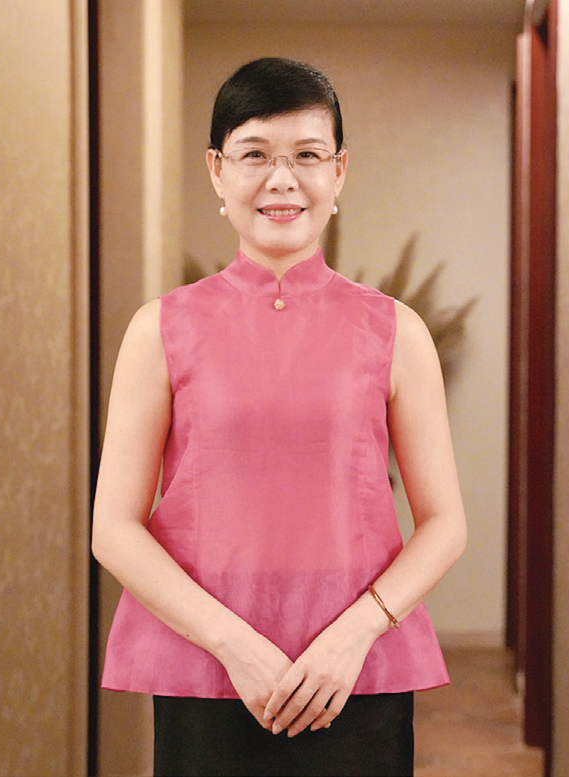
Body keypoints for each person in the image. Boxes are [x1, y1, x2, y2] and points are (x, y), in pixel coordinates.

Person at [92, 57, 467, 777]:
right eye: (255, 154)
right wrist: (235, 646)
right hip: (204, 668)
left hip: (355, 672)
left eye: (307, 155)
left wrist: (350, 637)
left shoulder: (396, 330)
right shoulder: (160, 329)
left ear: (339, 171)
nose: (282, 179)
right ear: (216, 170)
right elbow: (113, 527)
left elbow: (445, 523)